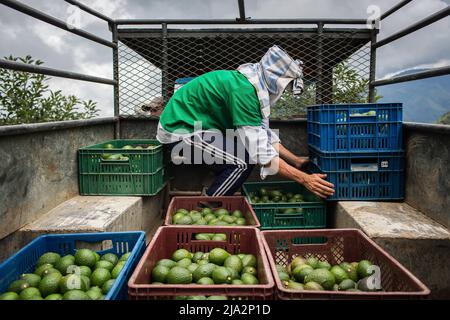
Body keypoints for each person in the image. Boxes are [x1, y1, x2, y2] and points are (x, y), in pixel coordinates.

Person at [156, 45, 334, 199]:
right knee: (242, 161)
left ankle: (215, 186)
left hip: (202, 129)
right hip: (180, 131)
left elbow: (263, 136)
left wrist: (296, 161)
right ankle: (208, 205)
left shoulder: (254, 87)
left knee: (245, 151)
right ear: (276, 80)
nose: (285, 91)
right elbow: (261, 152)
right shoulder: (245, 91)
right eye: (286, 86)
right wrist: (305, 179)